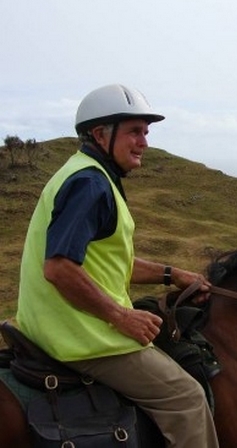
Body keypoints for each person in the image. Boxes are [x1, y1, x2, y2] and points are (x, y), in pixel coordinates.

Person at [16, 84, 219, 448]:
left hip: (54, 327)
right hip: (81, 337)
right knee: (187, 399)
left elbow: (110, 261)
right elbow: (59, 268)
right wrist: (120, 316)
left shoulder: (86, 173)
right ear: (100, 134)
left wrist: (174, 275)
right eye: (134, 132)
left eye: (146, 132)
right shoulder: (89, 184)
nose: (143, 142)